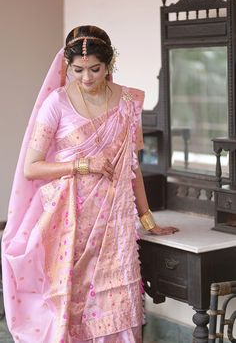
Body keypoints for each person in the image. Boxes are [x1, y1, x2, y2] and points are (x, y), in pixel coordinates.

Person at [2, 25, 178, 343]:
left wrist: (148, 220)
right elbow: (32, 167)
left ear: (108, 64)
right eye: (78, 70)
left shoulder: (129, 102)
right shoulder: (55, 102)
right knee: (74, 307)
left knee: (119, 301)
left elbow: (132, 167)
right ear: (67, 67)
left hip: (117, 220)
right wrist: (84, 165)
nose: (86, 78)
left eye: (95, 69)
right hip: (70, 223)